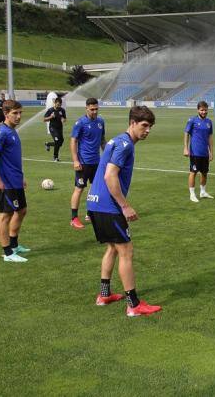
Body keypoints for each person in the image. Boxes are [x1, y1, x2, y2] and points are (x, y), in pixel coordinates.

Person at [86, 106, 161, 317]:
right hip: (109, 207)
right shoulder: (125, 145)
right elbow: (111, 176)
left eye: (150, 127)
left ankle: (104, 294)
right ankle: (133, 304)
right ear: (132, 123)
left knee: (112, 248)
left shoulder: (117, 140)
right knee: (126, 251)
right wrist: (124, 205)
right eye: (144, 126)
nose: (147, 130)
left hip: (94, 203)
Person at [0, 99, 31, 262]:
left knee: (21, 211)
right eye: (15, 113)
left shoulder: (12, 131)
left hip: (15, 180)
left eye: (20, 113)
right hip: (6, 183)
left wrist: (21, 176)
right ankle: (7, 253)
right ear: (6, 114)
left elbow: (12, 158)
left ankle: (14, 245)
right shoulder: (2, 132)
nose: (19, 116)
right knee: (5, 215)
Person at [69, 98, 106, 229]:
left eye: (96, 109)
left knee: (95, 188)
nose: (95, 111)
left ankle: (89, 213)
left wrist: (107, 156)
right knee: (79, 189)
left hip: (97, 162)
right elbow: (73, 141)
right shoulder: (80, 123)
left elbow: (102, 140)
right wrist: (75, 160)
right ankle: (74, 218)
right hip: (83, 162)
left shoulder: (101, 122)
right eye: (92, 109)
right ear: (86, 108)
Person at [183, 101, 214, 202]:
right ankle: (192, 194)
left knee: (204, 173)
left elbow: (210, 137)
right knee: (193, 172)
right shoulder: (192, 120)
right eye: (202, 110)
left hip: (205, 153)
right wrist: (185, 148)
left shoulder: (209, 122)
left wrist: (211, 152)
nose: (204, 112)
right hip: (195, 152)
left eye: (205, 110)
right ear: (198, 110)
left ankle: (203, 192)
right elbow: (186, 133)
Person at [43, 97, 67, 162]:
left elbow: (64, 118)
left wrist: (63, 120)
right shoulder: (50, 110)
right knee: (57, 141)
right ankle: (55, 157)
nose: (59, 106)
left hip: (60, 128)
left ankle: (48, 144)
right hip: (53, 128)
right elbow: (44, 119)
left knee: (60, 143)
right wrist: (51, 117)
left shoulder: (62, 110)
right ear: (55, 103)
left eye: (60, 105)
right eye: (58, 104)